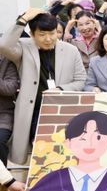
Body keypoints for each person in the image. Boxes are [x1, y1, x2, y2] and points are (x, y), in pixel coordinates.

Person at [0, 9, 86, 165]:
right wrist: (23, 19)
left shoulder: (71, 50)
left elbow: (80, 80)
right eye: (42, 34)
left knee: (67, 150)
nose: (48, 39)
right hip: (35, 111)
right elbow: (4, 45)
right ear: (32, 34)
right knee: (42, 149)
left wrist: (61, 89)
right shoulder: (23, 47)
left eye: (52, 33)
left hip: (64, 110)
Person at [0, 55, 19, 191]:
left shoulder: (7, 61)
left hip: (3, 114)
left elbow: (10, 89)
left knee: (0, 140)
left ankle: (2, 184)